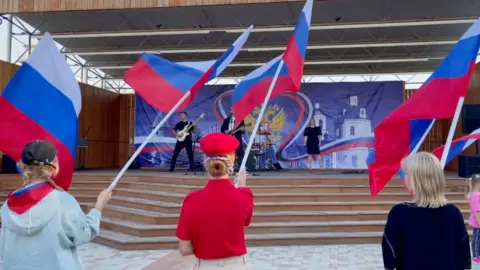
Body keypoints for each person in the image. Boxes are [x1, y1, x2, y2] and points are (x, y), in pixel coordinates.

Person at [0, 140, 112, 270]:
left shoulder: (8, 205)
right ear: (52, 166)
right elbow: (83, 233)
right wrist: (99, 207)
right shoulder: (63, 201)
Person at [176, 132, 254, 269]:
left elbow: (185, 249)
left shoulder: (191, 200)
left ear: (205, 161)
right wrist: (242, 187)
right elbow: (244, 222)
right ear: (233, 160)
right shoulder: (244, 196)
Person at [382, 152, 471, 270]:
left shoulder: (399, 213)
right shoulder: (453, 213)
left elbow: (389, 260)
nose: (405, 179)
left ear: (417, 180)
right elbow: (464, 258)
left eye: (407, 174)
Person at [467, 174, 480, 263]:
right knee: (476, 239)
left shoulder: (474, 194)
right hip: (477, 221)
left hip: (477, 220)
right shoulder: (476, 195)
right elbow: (477, 211)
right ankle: (476, 256)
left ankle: (477, 254)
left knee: (477, 238)